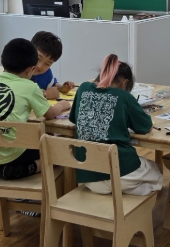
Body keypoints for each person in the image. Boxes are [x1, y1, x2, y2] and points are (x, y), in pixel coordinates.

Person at [0, 38, 70, 180]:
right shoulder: (30, 87)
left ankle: (2, 169)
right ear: (31, 69)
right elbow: (50, 114)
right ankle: (30, 167)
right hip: (8, 152)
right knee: (59, 149)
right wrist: (62, 105)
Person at [69, 54, 163, 196]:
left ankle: (120, 194)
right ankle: (133, 194)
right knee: (156, 171)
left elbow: (74, 118)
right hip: (120, 171)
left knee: (128, 182)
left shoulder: (83, 88)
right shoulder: (124, 96)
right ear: (125, 83)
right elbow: (146, 126)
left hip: (89, 178)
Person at [30, 31, 75, 100]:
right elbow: (20, 95)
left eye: (47, 64)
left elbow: (52, 84)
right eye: (38, 58)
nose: (40, 66)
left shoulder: (46, 73)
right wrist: (45, 95)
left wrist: (62, 88)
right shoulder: (20, 70)